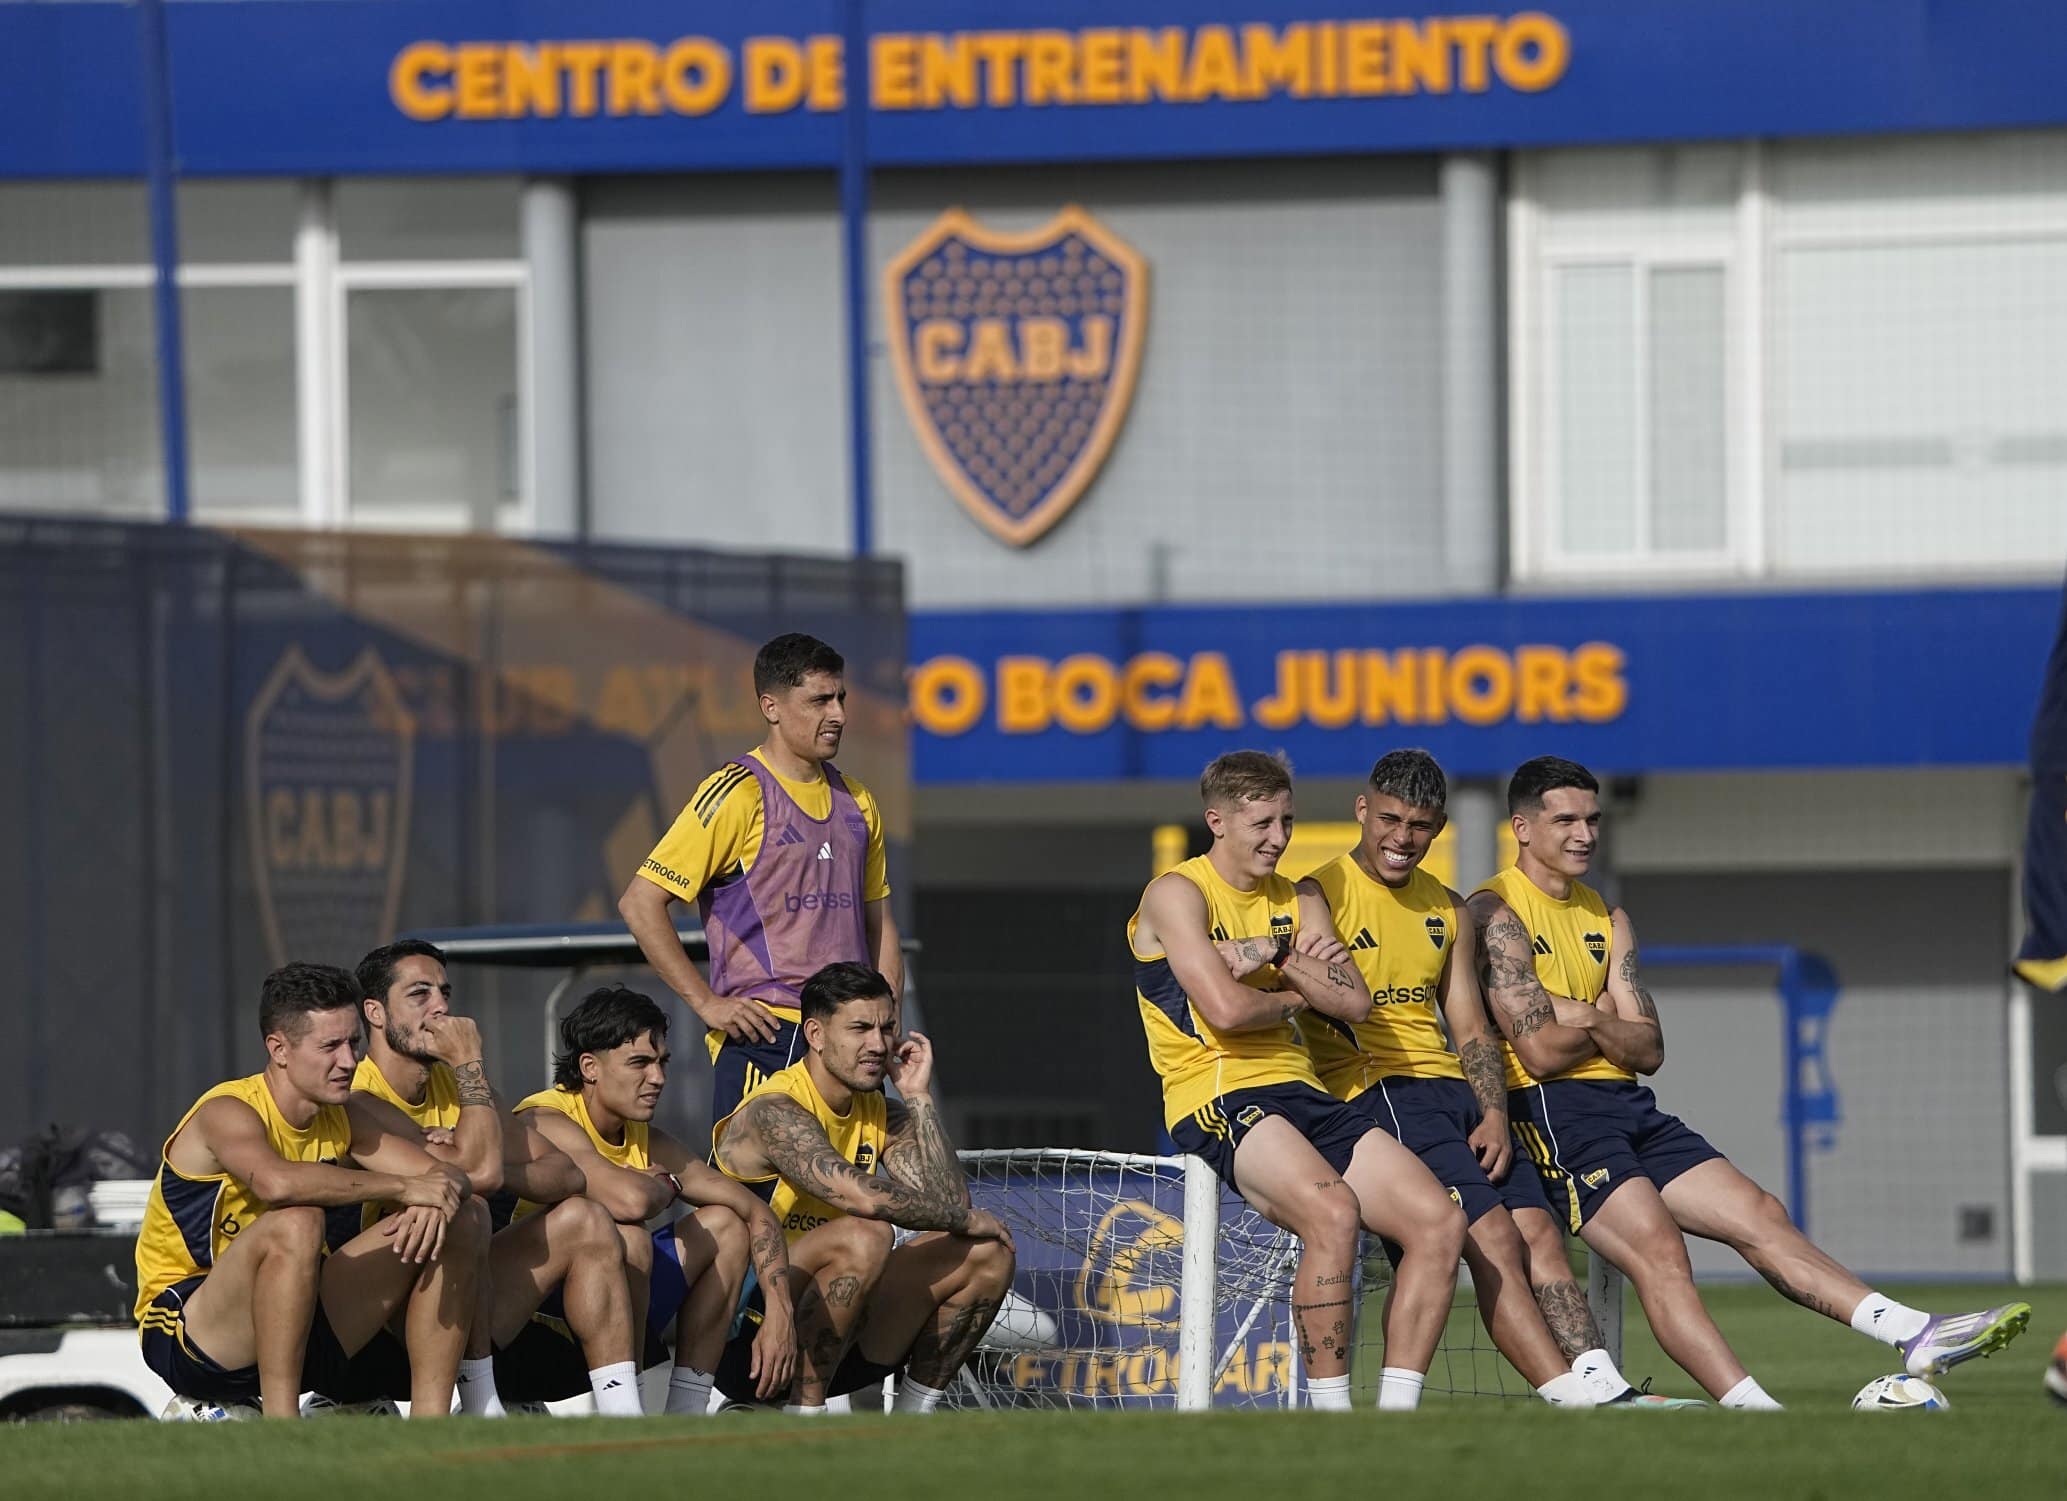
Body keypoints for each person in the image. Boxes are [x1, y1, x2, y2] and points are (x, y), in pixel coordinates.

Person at [1468, 755, 2031, 1409]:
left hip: (1628, 1102)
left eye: (1592, 819)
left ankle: (1913, 1331)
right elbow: (1538, 1052)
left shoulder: (1608, 917)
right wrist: (1604, 1023)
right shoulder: (1495, 911)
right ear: (1522, 828)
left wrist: (1586, 1015)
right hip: (1555, 1113)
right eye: (1565, 820)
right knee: (1658, 1249)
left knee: (1760, 1212)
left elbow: (1649, 1047)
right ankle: (1754, 1413)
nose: (1584, 834)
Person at [1299, 749, 1694, 1408]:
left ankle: (1604, 1385)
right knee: (1492, 1239)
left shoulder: (1448, 908)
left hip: (1454, 1093)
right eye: (1390, 819)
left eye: (1420, 825)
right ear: (1362, 811)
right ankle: (1566, 1396)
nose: (1403, 838)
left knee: (1539, 1234)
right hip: (1378, 1092)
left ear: (1439, 826)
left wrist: (1491, 1113)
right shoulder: (1316, 894)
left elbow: (1470, 1028)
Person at [1128, 750, 1466, 1412]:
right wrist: (1299, 990)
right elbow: (1226, 1011)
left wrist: (1274, 952)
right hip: (1219, 1090)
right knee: (1333, 1212)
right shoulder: (1177, 892)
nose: (1278, 838)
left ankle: (1395, 1423)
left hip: (1302, 1088)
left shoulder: (1299, 896)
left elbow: (1354, 1002)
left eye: (1286, 820)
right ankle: (1330, 1416)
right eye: (1262, 823)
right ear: (1217, 821)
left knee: (1439, 1223)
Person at [133, 963, 479, 1419]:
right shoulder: (227, 1111)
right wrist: (408, 1187)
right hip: (192, 1333)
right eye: (330, 1047)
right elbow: (277, 1184)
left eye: (353, 1043)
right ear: (279, 1049)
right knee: (297, 1222)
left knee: (465, 1216)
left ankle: (433, 1425)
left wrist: (437, 1197)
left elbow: (456, 1175)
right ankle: (283, 1425)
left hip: (298, 1321)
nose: (349, 1061)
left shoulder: (346, 1113)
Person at [619, 632, 902, 1144]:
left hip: (849, 1044)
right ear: (770, 707)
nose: (838, 714)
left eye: (841, 698)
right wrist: (708, 1003)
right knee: (758, 1195)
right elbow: (640, 903)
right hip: (768, 1037)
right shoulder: (737, 792)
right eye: (819, 700)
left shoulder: (858, 800)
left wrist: (885, 1024)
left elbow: (880, 924)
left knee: (859, 1192)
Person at [710, 961, 1014, 1415]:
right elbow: (864, 1198)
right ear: (815, 1034)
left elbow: (951, 1204)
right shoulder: (776, 1110)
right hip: (747, 1331)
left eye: (886, 1028)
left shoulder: (882, 1111)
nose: (878, 1044)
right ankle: (805, 1418)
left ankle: (911, 1420)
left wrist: (918, 1096)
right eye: (860, 1029)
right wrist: (966, 1219)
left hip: (837, 1330)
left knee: (986, 1253)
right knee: (865, 1234)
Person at [345, 939, 628, 1418]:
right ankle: (477, 1404)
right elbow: (480, 1174)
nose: (440, 1007)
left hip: (461, 1297)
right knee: (467, 1211)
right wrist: (469, 1066)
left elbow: (566, 1174)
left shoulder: (460, 1089)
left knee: (588, 1219)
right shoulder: (357, 1094)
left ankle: (626, 1416)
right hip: (375, 1315)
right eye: (419, 994)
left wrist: (473, 1155)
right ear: (375, 1012)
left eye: (444, 993)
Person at [509, 985, 796, 1416]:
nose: (658, 1077)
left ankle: (686, 1414)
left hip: (610, 1315)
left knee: (726, 1226)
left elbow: (757, 1211)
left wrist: (779, 1312)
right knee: (628, 1236)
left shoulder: (646, 1137)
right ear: (589, 1067)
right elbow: (628, 1201)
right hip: (532, 1330)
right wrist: (669, 1183)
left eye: (662, 1062)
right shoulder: (544, 1117)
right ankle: (623, 1409)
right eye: (639, 1063)